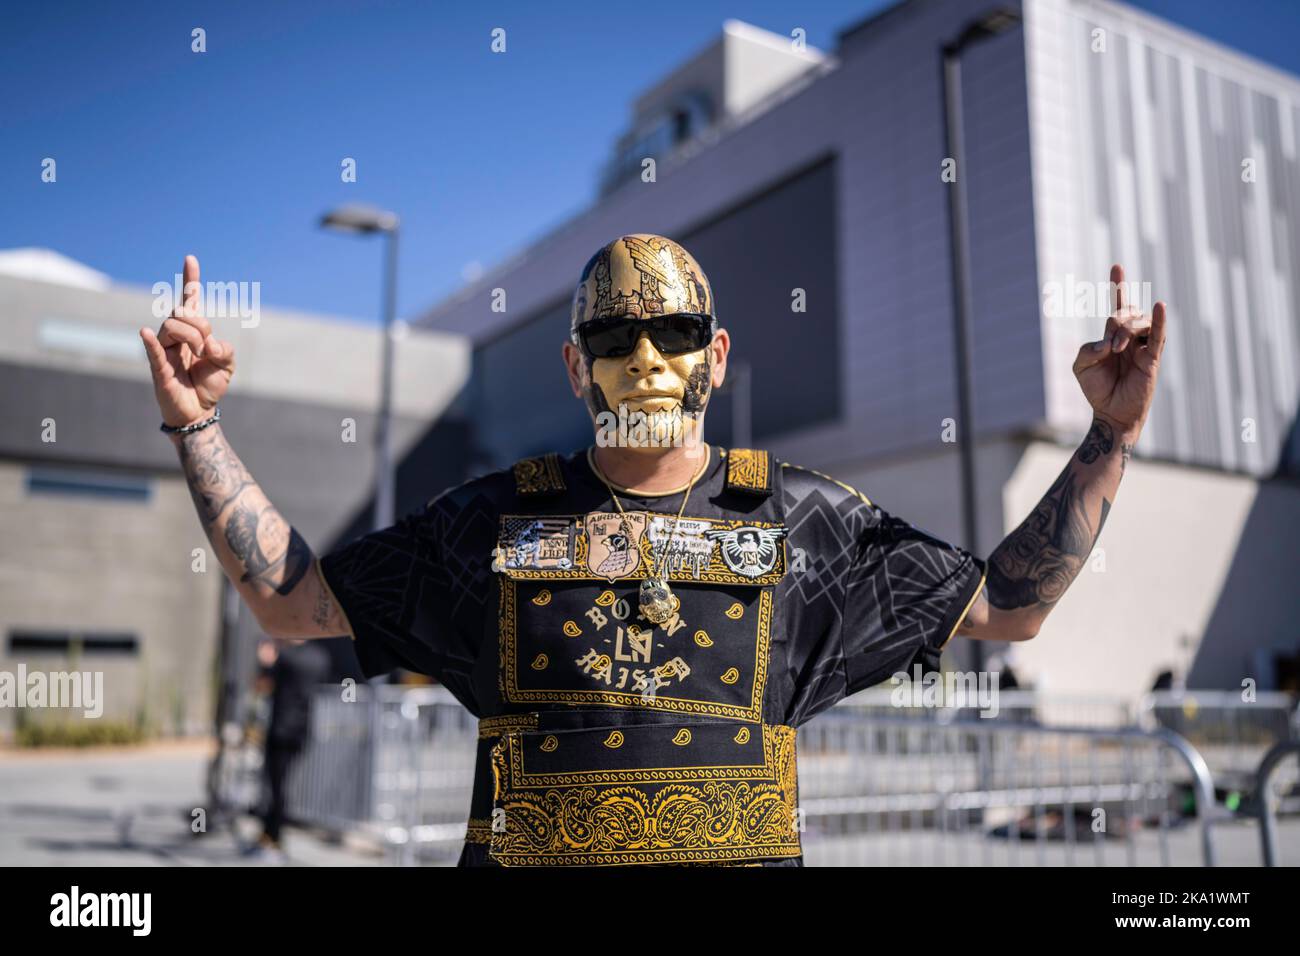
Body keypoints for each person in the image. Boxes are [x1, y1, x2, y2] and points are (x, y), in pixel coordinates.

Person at [140, 236, 1167, 866]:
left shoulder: (806, 521)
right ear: (574, 366)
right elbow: (295, 604)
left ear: (715, 354)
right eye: (613, 339)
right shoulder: (489, 521)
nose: (645, 360)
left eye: (675, 331)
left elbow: (1007, 603)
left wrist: (1110, 435)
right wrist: (198, 428)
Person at [244, 639, 330, 863]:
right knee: (282, 787)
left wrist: (265, 663)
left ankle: (274, 839)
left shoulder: (286, 657)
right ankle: (269, 837)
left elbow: (263, 684)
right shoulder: (319, 657)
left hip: (281, 729)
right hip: (302, 729)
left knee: (276, 788)